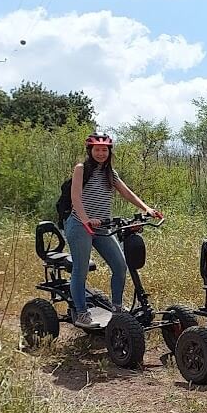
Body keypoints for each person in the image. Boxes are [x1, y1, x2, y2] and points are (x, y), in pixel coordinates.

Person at [65, 133, 160, 326]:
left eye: (104, 150)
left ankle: (116, 309)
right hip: (79, 224)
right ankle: (82, 314)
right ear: (90, 151)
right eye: (97, 149)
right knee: (80, 270)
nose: (101, 153)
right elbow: (75, 198)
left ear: (109, 152)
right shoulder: (81, 169)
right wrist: (86, 220)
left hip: (102, 226)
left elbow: (127, 193)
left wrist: (147, 208)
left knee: (120, 266)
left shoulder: (111, 173)